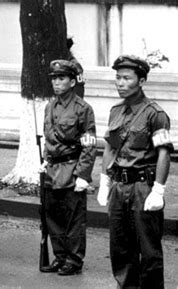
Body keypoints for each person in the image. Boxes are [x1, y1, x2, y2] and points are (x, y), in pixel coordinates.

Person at [97, 55, 173, 289]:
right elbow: (111, 147)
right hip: (120, 188)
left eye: (126, 78)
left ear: (141, 81)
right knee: (120, 247)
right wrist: (104, 182)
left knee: (148, 250)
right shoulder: (115, 111)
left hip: (143, 187)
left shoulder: (155, 114)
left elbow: (164, 153)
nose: (120, 83)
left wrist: (158, 190)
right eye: (117, 78)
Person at [39, 59, 97, 275]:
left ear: (72, 82)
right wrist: (45, 159)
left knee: (73, 218)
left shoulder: (83, 109)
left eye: (61, 78)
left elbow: (89, 144)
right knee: (52, 216)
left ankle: (73, 259)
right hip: (52, 171)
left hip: (72, 169)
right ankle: (60, 256)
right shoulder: (49, 106)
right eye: (54, 78)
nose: (56, 83)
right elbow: (48, 139)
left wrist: (84, 175)